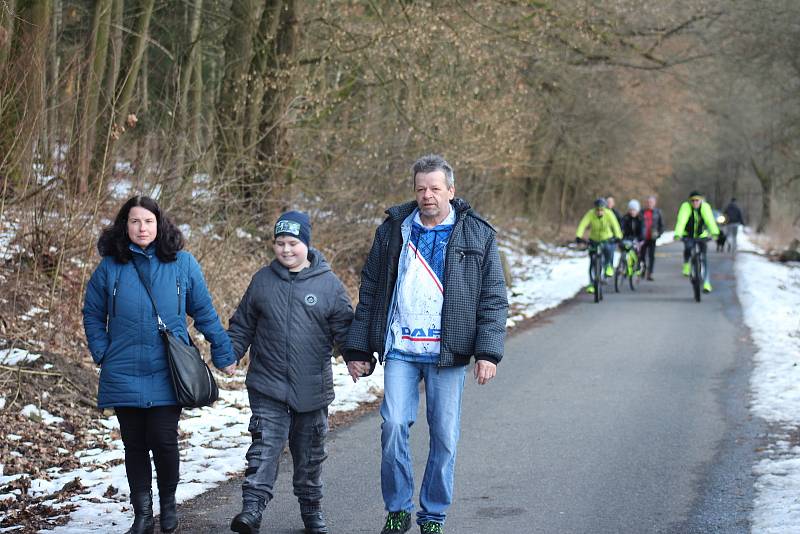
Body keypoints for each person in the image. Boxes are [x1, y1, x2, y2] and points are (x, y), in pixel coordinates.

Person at [343, 154, 508, 534]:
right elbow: (371, 291)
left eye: (435, 188)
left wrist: (487, 352)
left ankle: (432, 515)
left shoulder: (477, 234)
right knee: (393, 426)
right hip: (401, 348)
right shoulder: (392, 231)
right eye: (421, 189)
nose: (427, 195)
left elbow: (493, 299)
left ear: (451, 190)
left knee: (444, 437)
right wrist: (358, 347)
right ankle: (398, 507)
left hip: (448, 354)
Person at [83, 196, 236, 534]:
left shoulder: (182, 264)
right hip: (123, 369)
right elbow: (92, 313)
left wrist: (222, 352)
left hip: (168, 369)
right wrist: (102, 351)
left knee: (163, 440)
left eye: (148, 221)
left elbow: (205, 312)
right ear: (126, 226)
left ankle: (168, 506)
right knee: (134, 444)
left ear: (159, 224)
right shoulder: (110, 266)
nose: (142, 228)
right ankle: (142, 515)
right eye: (135, 221)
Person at [227, 211, 353, 534]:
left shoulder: (328, 285)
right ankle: (251, 510)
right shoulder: (262, 281)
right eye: (280, 243)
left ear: (306, 244)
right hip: (268, 385)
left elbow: (344, 330)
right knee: (264, 447)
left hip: (311, 391)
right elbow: (242, 324)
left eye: (293, 243)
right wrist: (231, 353)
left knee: (310, 456)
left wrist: (355, 358)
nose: (285, 250)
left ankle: (312, 511)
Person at [674, 191, 720, 293]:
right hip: (688, 234)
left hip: (701, 235)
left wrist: (715, 233)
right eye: (693, 201)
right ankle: (686, 264)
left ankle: (707, 283)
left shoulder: (705, 207)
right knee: (688, 248)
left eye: (697, 200)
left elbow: (710, 221)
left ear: (701, 200)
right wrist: (677, 234)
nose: (695, 202)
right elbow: (681, 221)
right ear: (690, 201)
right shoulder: (686, 207)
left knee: (704, 258)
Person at [575, 198, 623, 294]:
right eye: (597, 209)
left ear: (604, 209)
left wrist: (618, 236)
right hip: (594, 240)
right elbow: (582, 224)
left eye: (602, 209)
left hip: (606, 238)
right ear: (595, 209)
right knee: (593, 262)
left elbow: (615, 225)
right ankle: (592, 284)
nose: (599, 212)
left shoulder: (609, 213)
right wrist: (578, 236)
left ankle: (608, 266)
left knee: (609, 250)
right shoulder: (590, 214)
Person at [639, 195, 664, 281]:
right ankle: (643, 269)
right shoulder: (642, 212)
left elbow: (661, 225)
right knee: (642, 255)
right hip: (643, 237)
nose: (650, 204)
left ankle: (650, 273)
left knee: (651, 256)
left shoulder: (658, 212)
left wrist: (659, 234)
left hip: (652, 238)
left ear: (654, 203)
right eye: (648, 202)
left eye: (652, 202)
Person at [619, 200, 645, 274]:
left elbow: (643, 229)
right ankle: (622, 265)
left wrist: (641, 238)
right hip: (627, 238)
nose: (632, 212)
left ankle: (638, 265)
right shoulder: (625, 218)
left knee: (637, 250)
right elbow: (621, 227)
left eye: (634, 210)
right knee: (623, 248)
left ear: (637, 210)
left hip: (638, 238)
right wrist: (619, 236)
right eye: (631, 210)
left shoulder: (641, 218)